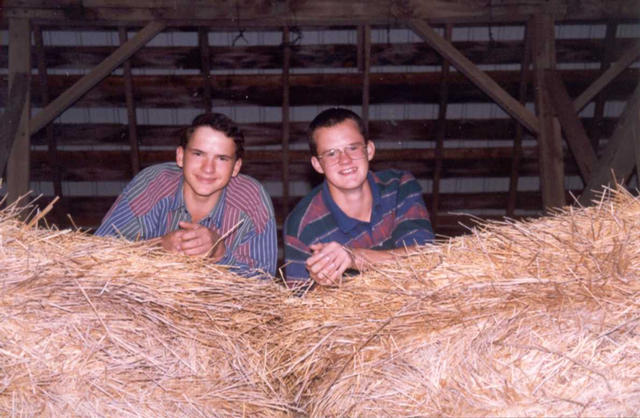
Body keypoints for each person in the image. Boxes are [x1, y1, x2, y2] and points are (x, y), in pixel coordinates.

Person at [96, 112, 277, 279]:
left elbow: (264, 282)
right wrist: (156, 247)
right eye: (198, 154)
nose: (208, 169)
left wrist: (220, 253)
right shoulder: (152, 184)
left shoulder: (252, 200)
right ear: (180, 156)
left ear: (236, 167)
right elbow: (97, 255)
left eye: (221, 158)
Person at [284, 108, 434, 290]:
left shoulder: (400, 187)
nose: (345, 160)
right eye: (331, 153)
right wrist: (322, 285)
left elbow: (427, 259)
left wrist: (354, 258)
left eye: (352, 148)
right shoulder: (301, 226)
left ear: (369, 150)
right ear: (317, 164)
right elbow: (299, 306)